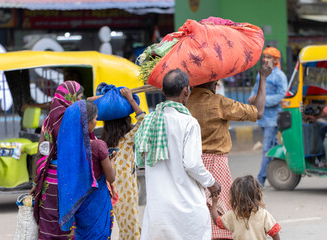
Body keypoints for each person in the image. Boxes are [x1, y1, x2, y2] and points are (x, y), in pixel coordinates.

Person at [187, 61, 270, 239]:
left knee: (199, 208)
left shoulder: (185, 103)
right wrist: (262, 78)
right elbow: (258, 112)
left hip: (191, 164)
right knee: (220, 210)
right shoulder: (218, 102)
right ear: (213, 83)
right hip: (216, 164)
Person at [135, 68, 221, 239]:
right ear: (186, 91)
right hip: (186, 213)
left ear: (162, 91)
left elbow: (142, 163)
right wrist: (211, 183)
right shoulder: (188, 123)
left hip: (158, 214)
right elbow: (192, 164)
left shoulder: (149, 121)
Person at [30, 81, 84, 239]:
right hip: (71, 183)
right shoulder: (77, 119)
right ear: (70, 98)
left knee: (49, 225)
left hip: (49, 182)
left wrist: (36, 182)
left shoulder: (48, 121)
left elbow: (41, 152)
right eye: (79, 97)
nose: (81, 100)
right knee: (69, 226)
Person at [57, 100, 115, 239]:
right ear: (87, 122)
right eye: (95, 118)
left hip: (79, 204)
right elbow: (111, 177)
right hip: (97, 202)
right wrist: (110, 160)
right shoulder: (99, 146)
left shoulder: (67, 147)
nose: (96, 122)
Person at [101, 88, 145, 239]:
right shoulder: (127, 140)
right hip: (125, 191)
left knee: (116, 228)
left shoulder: (103, 144)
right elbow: (143, 121)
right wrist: (131, 100)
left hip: (109, 191)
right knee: (130, 230)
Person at [248, 47, 287, 188]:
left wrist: (261, 99)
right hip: (263, 118)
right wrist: (252, 98)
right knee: (272, 147)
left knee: (266, 148)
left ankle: (260, 180)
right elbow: (254, 90)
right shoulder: (262, 74)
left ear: (276, 61)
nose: (265, 60)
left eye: (269, 57)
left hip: (272, 119)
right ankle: (274, 174)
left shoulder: (280, 76)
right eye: (264, 57)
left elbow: (281, 96)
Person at [210, 175, 281, 240]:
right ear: (257, 195)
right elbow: (275, 233)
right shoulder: (264, 214)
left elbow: (217, 221)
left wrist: (214, 203)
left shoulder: (232, 214)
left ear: (235, 198)